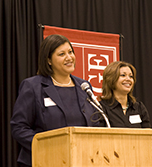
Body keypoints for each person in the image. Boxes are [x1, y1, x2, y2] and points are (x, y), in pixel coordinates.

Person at [10, 34, 99, 167]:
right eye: (61, 54)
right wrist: (49, 146)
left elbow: (95, 123)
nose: (69, 57)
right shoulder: (33, 87)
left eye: (70, 52)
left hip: (82, 160)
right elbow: (19, 127)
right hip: (44, 160)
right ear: (49, 60)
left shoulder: (84, 87)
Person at [99, 61, 151, 128]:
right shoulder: (101, 108)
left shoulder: (139, 108)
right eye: (123, 75)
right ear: (111, 79)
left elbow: (148, 136)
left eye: (131, 76)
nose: (128, 79)